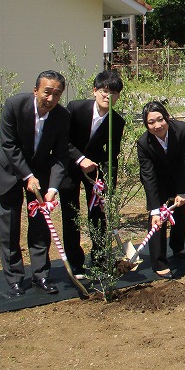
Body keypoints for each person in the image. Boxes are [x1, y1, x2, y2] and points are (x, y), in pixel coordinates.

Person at [0, 70, 70, 297]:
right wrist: (27, 176)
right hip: (9, 171)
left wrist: (53, 188)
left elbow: (61, 155)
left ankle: (41, 275)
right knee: (10, 225)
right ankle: (14, 278)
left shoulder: (62, 116)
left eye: (57, 94)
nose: (51, 99)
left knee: (40, 226)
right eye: (47, 92)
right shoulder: (14, 106)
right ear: (36, 91)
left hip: (40, 172)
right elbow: (9, 145)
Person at [60, 70, 125, 278]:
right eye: (105, 91)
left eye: (114, 93)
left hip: (95, 171)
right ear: (95, 91)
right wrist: (80, 159)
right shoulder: (76, 109)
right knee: (71, 214)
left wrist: (109, 187)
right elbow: (63, 140)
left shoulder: (117, 121)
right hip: (71, 166)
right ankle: (76, 263)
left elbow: (112, 156)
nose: (108, 96)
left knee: (97, 215)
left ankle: (99, 259)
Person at [136, 101, 185, 278]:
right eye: (151, 122)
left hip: (179, 173)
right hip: (157, 180)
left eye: (160, 119)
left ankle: (178, 247)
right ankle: (159, 261)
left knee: (179, 210)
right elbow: (149, 176)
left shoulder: (182, 130)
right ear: (146, 125)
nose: (157, 125)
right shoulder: (144, 143)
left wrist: (181, 191)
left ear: (167, 117)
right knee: (158, 218)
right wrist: (154, 209)